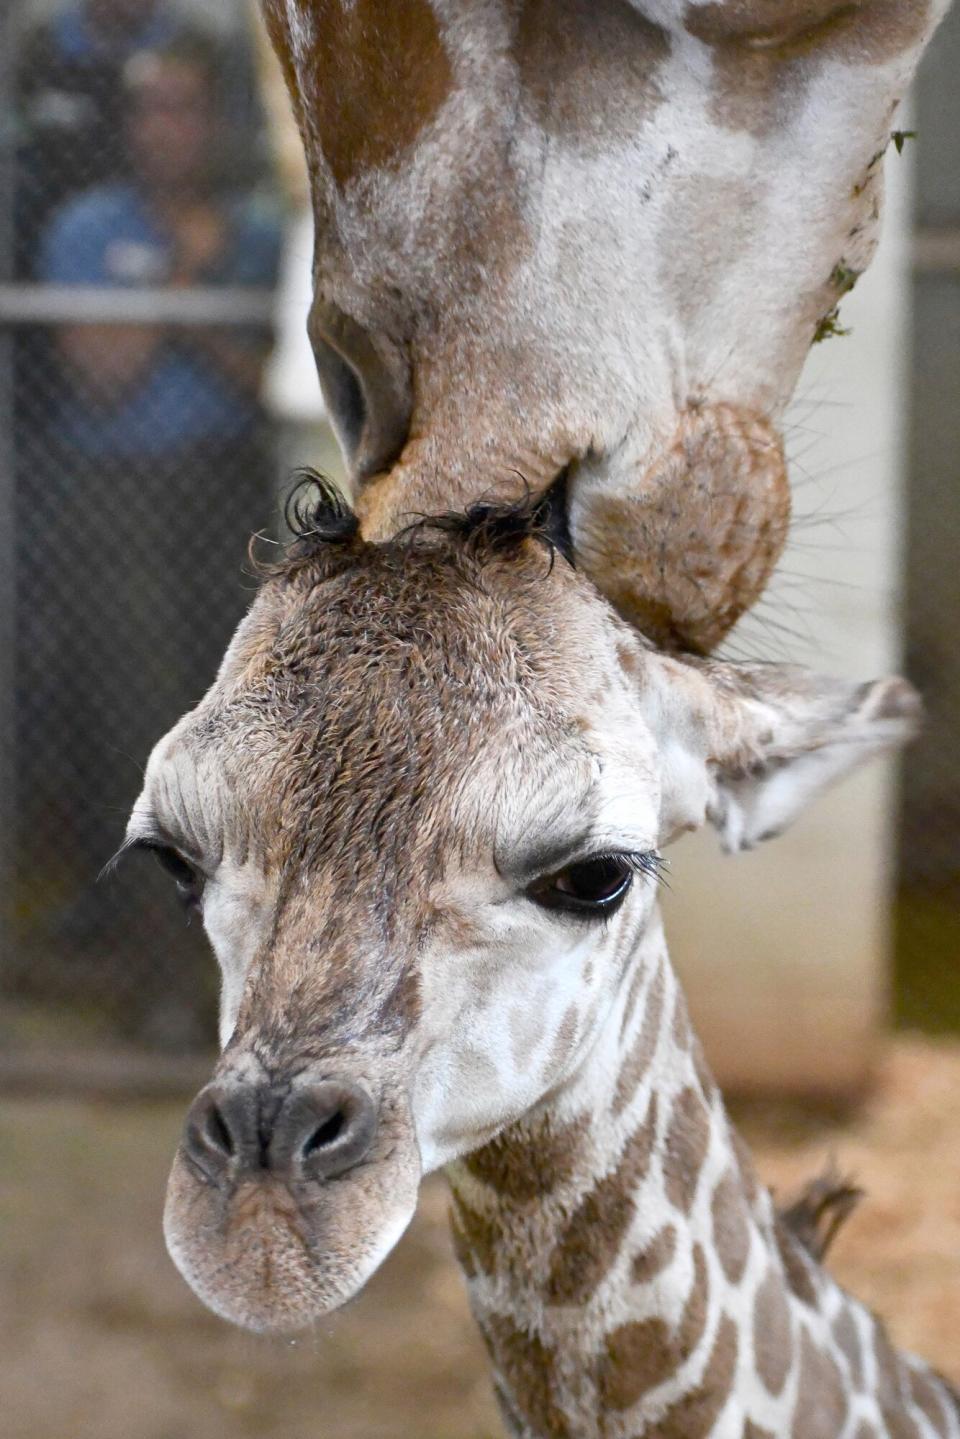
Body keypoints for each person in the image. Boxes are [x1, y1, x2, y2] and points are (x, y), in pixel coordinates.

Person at [13, 28, 283, 1040]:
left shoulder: (258, 230)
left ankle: (243, 981)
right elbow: (102, 371)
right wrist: (185, 287)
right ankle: (158, 981)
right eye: (144, 110)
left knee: (236, 737)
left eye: (181, 107)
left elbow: (264, 385)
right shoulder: (87, 225)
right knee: (136, 732)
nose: (160, 130)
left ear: (215, 119)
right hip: (111, 496)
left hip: (220, 495)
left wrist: (169, 304)